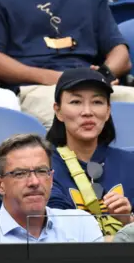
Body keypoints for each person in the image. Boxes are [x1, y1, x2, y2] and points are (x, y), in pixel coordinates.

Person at [0, 0, 134, 128]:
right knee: (70, 128)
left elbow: (120, 53)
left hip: (96, 86)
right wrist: (59, 79)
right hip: (38, 90)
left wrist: (102, 75)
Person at [0, 134, 103, 244]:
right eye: (20, 174)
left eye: (41, 171)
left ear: (51, 178)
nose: (34, 182)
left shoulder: (82, 226)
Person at [46, 68, 134, 233]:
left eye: (97, 102)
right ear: (58, 111)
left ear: (108, 111)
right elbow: (53, 231)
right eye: (76, 102)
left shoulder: (130, 164)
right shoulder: (43, 166)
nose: (87, 112)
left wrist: (128, 220)